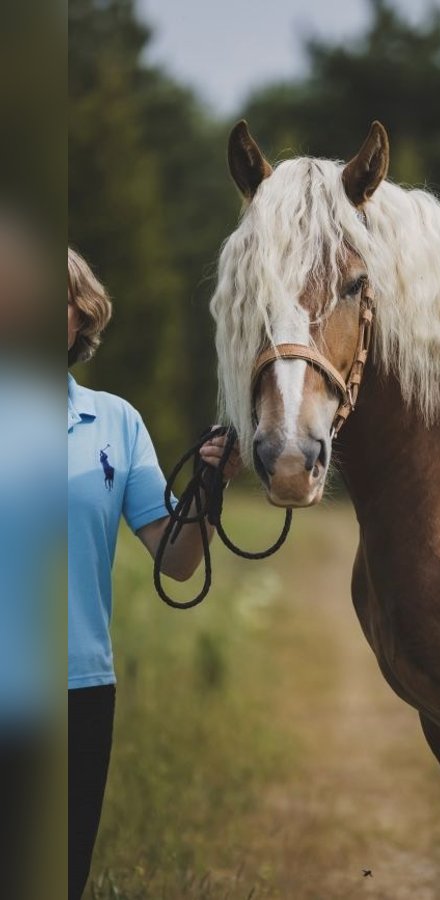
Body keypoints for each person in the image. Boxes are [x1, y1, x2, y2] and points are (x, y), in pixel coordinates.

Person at [66, 247, 240, 899]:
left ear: (81, 319)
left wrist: (208, 489)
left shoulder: (115, 422)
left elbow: (177, 558)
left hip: (77, 688)